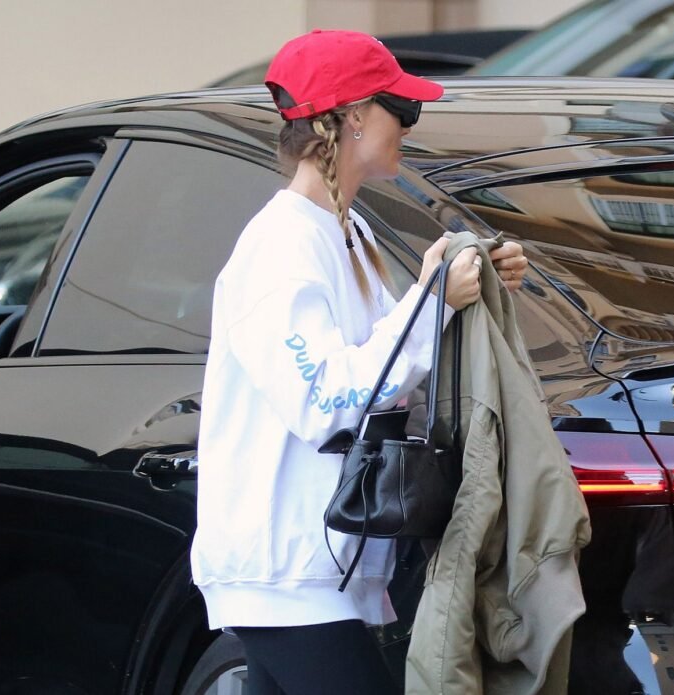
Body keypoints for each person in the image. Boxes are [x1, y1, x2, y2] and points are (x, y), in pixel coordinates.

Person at [190, 29, 528, 695]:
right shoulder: (281, 246)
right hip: (289, 574)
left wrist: (468, 284)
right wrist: (433, 303)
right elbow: (325, 401)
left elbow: (385, 369)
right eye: (399, 108)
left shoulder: (349, 231)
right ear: (349, 118)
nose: (409, 124)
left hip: (319, 566)